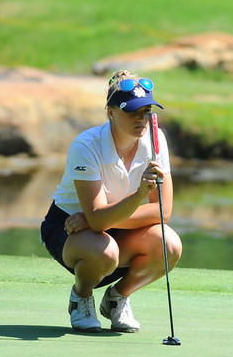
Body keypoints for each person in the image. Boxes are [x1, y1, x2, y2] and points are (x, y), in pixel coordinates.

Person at [40, 70, 182, 333]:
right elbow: (97, 220)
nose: (141, 119)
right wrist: (135, 198)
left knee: (169, 245)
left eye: (146, 111)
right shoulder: (87, 145)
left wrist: (99, 219)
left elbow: (162, 212)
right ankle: (81, 297)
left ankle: (117, 298)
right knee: (105, 252)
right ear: (111, 113)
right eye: (131, 111)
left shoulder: (155, 140)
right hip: (70, 228)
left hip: (104, 223)